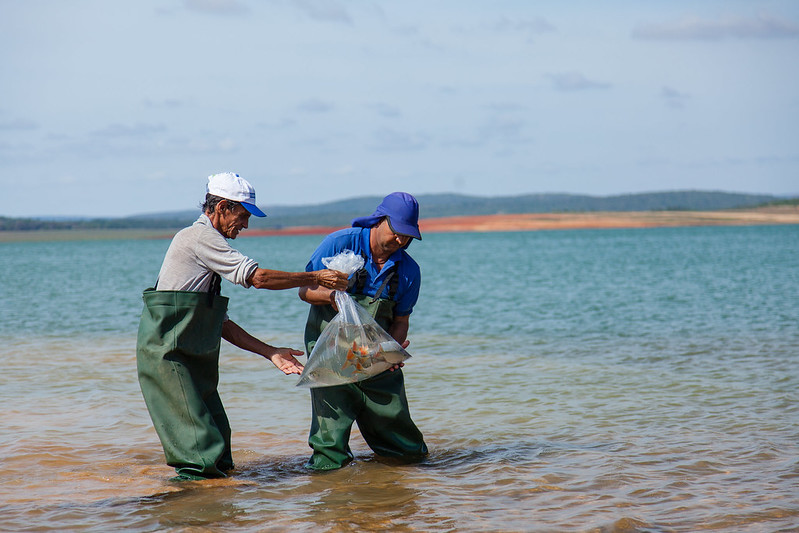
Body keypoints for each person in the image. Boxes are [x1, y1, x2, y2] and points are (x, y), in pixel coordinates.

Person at [136, 171, 348, 481]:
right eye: (243, 215)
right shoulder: (199, 237)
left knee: (218, 445)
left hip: (189, 356)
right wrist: (315, 277)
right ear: (221, 207)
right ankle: (192, 515)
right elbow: (258, 278)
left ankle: (217, 511)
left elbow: (221, 325)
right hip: (169, 356)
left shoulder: (208, 245)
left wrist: (271, 352)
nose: (246, 225)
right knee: (199, 451)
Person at [298, 192, 428, 470]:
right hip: (330, 349)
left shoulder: (409, 270)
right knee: (330, 436)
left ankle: (404, 479)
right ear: (380, 220)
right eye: (397, 233)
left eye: (407, 236)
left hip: (375, 354)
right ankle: (328, 485)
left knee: (400, 436)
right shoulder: (339, 243)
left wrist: (392, 351)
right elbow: (305, 290)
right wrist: (333, 297)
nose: (401, 241)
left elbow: (401, 319)